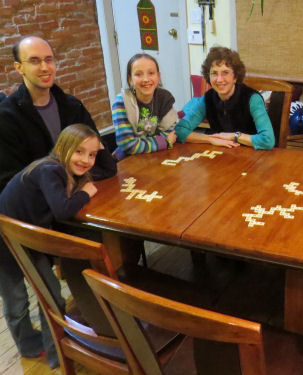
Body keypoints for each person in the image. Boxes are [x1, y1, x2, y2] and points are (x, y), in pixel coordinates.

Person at [0, 124, 116, 369]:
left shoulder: (68, 170)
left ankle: (55, 353)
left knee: (51, 295)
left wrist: (100, 148)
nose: (86, 160)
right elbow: (62, 209)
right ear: (63, 148)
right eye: (79, 151)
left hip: (29, 240)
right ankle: (29, 346)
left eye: (91, 154)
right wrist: (84, 193)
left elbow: (108, 169)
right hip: (5, 242)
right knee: (17, 299)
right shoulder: (50, 169)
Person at [0, 36, 113, 191]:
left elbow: (101, 160)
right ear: (19, 67)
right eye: (34, 61)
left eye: (49, 59)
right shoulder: (6, 117)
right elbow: (11, 182)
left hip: (79, 195)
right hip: (40, 208)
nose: (45, 67)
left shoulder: (73, 106)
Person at [175, 46, 275, 150]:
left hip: (252, 156)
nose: (219, 80)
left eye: (225, 73)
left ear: (235, 77)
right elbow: (179, 130)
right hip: (221, 155)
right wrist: (209, 139)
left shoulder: (252, 99)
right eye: (214, 73)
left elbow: (267, 140)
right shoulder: (207, 98)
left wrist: (234, 136)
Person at [112, 53, 178, 160]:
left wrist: (164, 140)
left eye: (151, 73)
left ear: (158, 76)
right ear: (130, 79)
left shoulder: (165, 98)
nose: (146, 79)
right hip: (128, 161)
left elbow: (172, 133)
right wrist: (164, 141)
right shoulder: (121, 102)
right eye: (138, 74)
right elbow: (127, 145)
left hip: (159, 156)